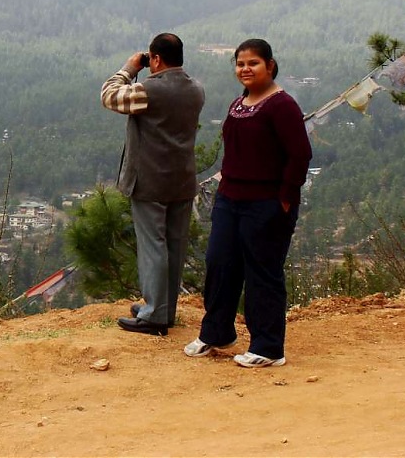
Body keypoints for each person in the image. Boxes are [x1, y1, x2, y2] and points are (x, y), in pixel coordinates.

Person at [185, 38, 312, 366]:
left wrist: (285, 198)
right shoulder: (238, 103)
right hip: (230, 199)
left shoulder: (282, 105)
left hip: (267, 203)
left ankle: (268, 348)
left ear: (270, 65)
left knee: (262, 272)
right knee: (220, 264)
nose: (245, 69)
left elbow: (300, 155)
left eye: (253, 63)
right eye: (240, 63)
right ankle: (217, 332)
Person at [101, 32, 205, 336]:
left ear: (155, 59)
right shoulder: (196, 89)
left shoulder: (148, 90)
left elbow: (109, 95)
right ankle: (164, 309)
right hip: (183, 179)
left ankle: (153, 314)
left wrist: (129, 68)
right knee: (174, 246)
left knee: (153, 247)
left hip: (150, 180)